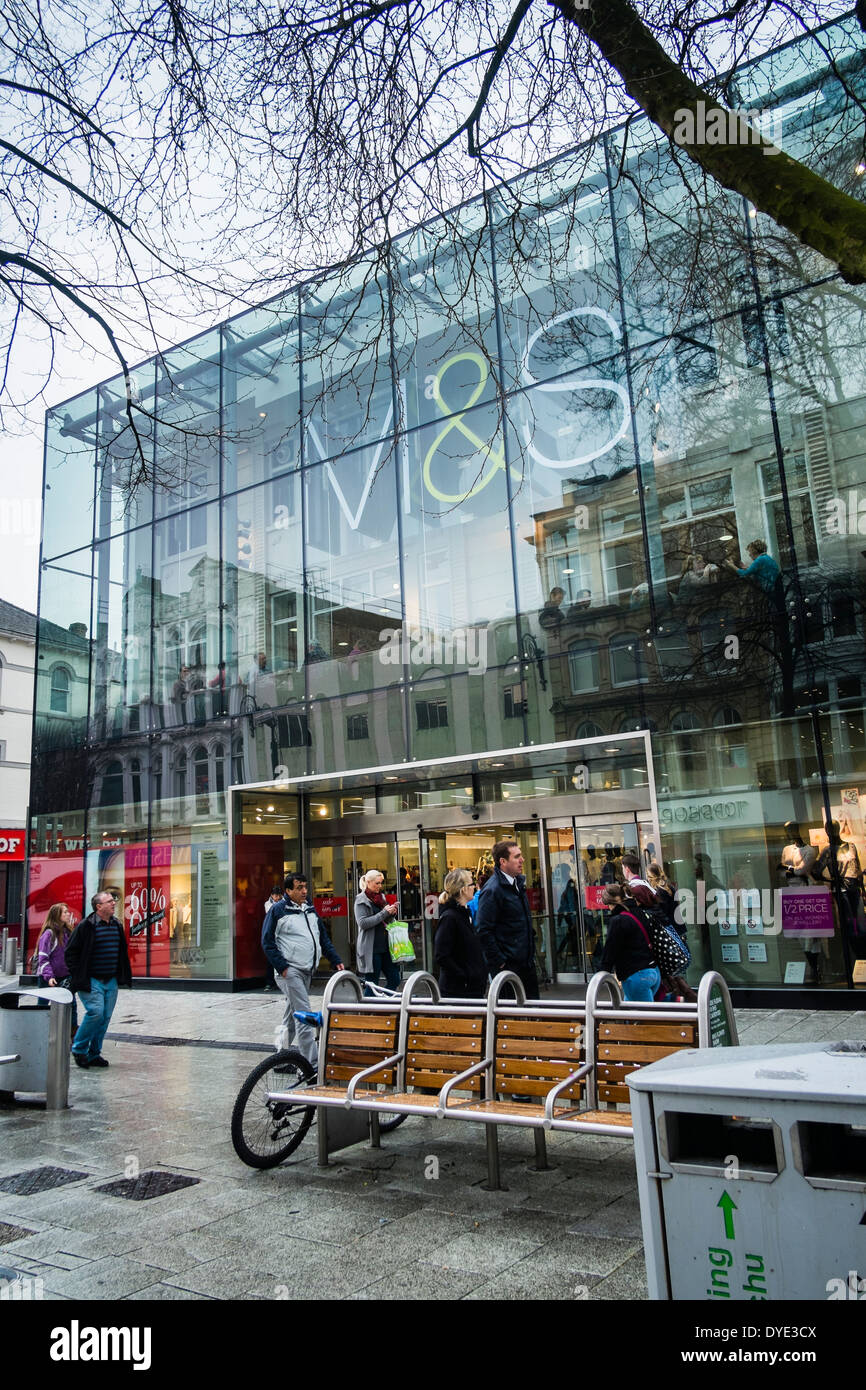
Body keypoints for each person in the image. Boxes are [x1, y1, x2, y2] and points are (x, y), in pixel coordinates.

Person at [261, 873, 344, 1066]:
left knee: (293, 1014)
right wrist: (283, 968)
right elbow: (267, 942)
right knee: (304, 1015)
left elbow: (322, 937)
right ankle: (312, 1065)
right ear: (288, 891)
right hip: (291, 972)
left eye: (305, 887)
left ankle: (280, 1059)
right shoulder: (278, 911)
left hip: (307, 970)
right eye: (299, 888)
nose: (304, 891)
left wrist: (335, 958)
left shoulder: (310, 909)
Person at [66, 891, 133, 1069]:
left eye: (113, 901)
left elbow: (121, 952)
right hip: (91, 979)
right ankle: (79, 1049)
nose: (113, 903)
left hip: (110, 980)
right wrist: (78, 974)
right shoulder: (86, 926)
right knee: (96, 1012)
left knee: (104, 1018)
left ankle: (94, 1053)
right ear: (99, 907)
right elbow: (70, 953)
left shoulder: (117, 925)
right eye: (109, 901)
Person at [475, 839, 539, 997]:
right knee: (510, 1016)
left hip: (526, 963)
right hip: (508, 967)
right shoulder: (493, 890)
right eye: (517, 857)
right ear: (503, 862)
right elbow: (483, 930)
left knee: (534, 1010)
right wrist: (500, 962)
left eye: (521, 856)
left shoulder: (517, 884)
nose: (522, 860)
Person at [599, 884, 661, 1002]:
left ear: (610, 903)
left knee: (646, 1017)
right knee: (629, 1013)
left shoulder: (618, 921)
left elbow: (610, 951)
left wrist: (601, 974)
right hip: (654, 971)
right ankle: (675, 1000)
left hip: (636, 976)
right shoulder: (639, 911)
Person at [434, 869, 487, 997]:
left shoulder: (464, 914)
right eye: (471, 884)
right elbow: (442, 955)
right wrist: (464, 976)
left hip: (471, 987)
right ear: (463, 889)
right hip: (459, 990)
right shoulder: (450, 918)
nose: (474, 887)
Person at [36, 903, 79, 1039]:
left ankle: (72, 1035)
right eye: (65, 912)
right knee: (43, 1006)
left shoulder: (68, 932)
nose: (68, 914)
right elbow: (43, 957)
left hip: (65, 976)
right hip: (47, 978)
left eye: (67, 911)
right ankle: (39, 1031)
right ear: (57, 916)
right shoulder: (49, 934)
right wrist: (49, 976)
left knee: (71, 1005)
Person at [354, 868, 400, 990]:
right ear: (368, 882)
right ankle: (368, 1008)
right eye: (377, 883)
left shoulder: (381, 898)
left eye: (381, 883)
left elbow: (385, 920)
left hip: (385, 946)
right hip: (371, 948)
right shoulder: (361, 900)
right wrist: (384, 913)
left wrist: (392, 913)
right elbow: (363, 923)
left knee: (395, 979)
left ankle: (383, 1004)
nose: (380, 886)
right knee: (372, 983)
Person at [262, 884, 283, 992]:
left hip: (283, 935)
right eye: (275, 895)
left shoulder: (283, 902)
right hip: (272, 935)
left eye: (279, 895)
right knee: (271, 959)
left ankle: (282, 982)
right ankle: (270, 983)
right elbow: (272, 913)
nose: (278, 897)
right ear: (272, 895)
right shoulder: (268, 904)